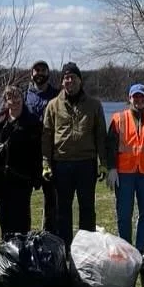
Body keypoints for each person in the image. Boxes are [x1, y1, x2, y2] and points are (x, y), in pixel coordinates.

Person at [41, 62, 105, 246]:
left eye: (73, 77)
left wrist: (103, 162)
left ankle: (87, 248)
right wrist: (46, 163)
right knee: (62, 210)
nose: (70, 81)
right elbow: (46, 136)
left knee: (87, 208)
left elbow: (100, 135)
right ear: (62, 82)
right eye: (66, 78)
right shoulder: (53, 105)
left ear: (80, 80)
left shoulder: (94, 105)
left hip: (86, 164)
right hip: (61, 164)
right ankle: (66, 248)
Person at [105, 82, 144, 253]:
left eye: (142, 97)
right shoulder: (118, 119)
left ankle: (140, 251)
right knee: (124, 214)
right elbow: (110, 145)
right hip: (124, 173)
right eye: (135, 97)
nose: (138, 100)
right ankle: (126, 250)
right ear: (129, 98)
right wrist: (111, 168)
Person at [0, 84, 42, 240]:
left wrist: (37, 176)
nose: (14, 100)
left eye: (17, 96)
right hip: (0, 177)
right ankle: (7, 246)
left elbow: (37, 151)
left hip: (22, 177)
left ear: (23, 98)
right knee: (3, 215)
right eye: (10, 97)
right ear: (5, 101)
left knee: (21, 216)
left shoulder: (32, 122)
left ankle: (22, 247)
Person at [24, 60, 61, 230]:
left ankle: (49, 234)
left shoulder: (58, 95)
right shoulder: (24, 94)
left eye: (43, 70)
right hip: (28, 154)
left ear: (48, 73)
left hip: (50, 153)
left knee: (52, 199)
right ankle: (24, 234)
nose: (39, 73)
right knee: (23, 199)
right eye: (36, 70)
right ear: (32, 74)